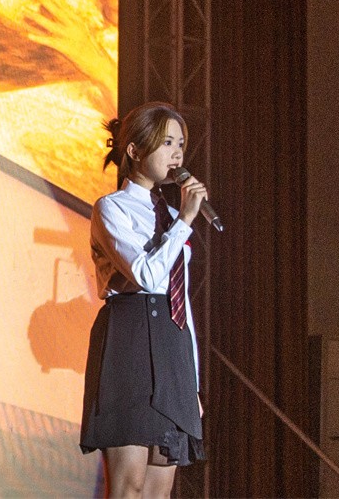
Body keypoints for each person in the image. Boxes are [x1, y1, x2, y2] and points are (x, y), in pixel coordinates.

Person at [80, 102, 206, 498]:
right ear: (134, 150)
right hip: (129, 337)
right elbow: (147, 276)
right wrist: (184, 222)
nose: (176, 153)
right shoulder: (111, 208)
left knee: (158, 492)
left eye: (180, 144)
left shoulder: (173, 214)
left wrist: (193, 382)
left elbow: (181, 301)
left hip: (171, 342)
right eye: (166, 142)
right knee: (129, 487)